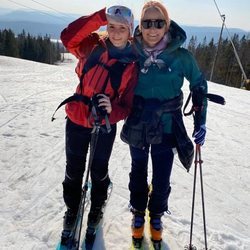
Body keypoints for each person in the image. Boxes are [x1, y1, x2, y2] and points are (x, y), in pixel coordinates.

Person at [120, 0, 208, 245]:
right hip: (137, 119)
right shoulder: (131, 51)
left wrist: (200, 122)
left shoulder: (181, 57)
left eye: (159, 23)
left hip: (168, 123)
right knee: (138, 169)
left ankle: (156, 214)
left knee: (161, 175)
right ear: (140, 25)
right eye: (147, 22)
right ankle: (138, 212)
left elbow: (198, 85)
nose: (152, 28)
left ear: (167, 25)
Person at [59, 5, 137, 244]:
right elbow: (67, 37)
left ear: (130, 31)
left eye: (121, 28)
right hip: (76, 119)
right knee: (73, 170)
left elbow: (127, 104)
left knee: (98, 170)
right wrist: (99, 17)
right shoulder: (92, 44)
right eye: (111, 26)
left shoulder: (132, 64)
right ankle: (72, 209)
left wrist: (113, 111)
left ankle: (96, 208)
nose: (115, 32)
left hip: (104, 124)